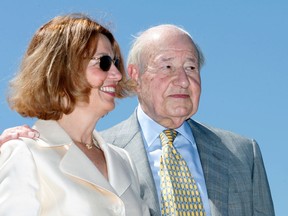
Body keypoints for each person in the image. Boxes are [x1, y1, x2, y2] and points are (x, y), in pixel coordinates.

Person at [0, 24, 275, 216]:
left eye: (191, 67)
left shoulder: (117, 159)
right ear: (137, 75)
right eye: (167, 66)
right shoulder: (25, 151)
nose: (183, 80)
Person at [0, 13, 149, 216]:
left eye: (115, 62)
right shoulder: (24, 152)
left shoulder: (123, 160)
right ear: (63, 69)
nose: (117, 74)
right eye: (104, 62)